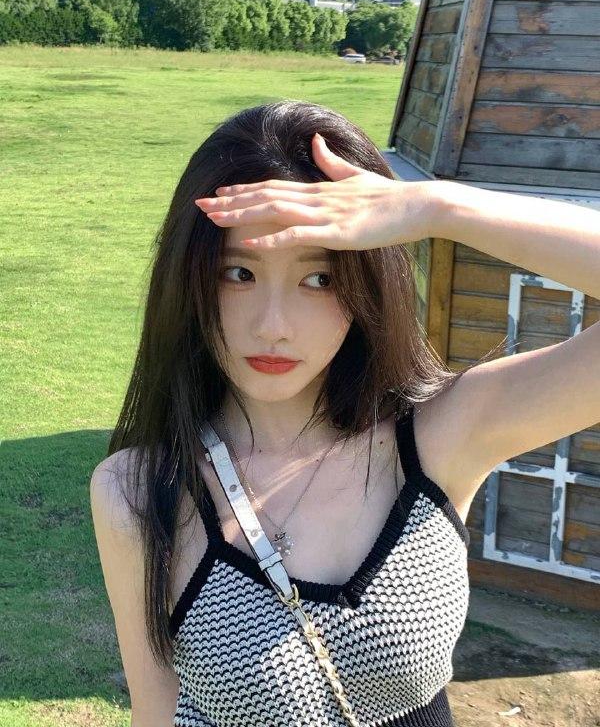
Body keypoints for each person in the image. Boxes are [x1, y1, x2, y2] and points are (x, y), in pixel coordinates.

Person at [90, 100, 600, 727]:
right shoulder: (138, 490)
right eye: (238, 273)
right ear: (189, 281)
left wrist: (439, 208)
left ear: (365, 286)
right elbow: (155, 713)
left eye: (320, 279)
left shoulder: (441, 437)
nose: (273, 326)